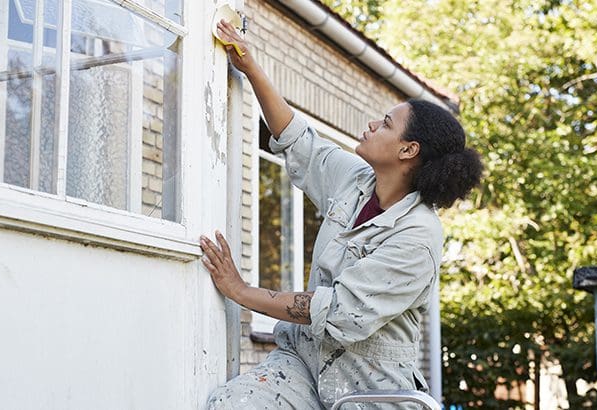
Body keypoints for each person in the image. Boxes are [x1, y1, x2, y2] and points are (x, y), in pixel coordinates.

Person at [200, 20, 483, 409]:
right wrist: (252, 67)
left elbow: (339, 313)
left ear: (408, 151)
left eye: (386, 123)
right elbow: (299, 141)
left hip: (370, 388)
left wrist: (241, 291)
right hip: (302, 364)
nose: (372, 124)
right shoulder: (355, 180)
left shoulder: (418, 237)